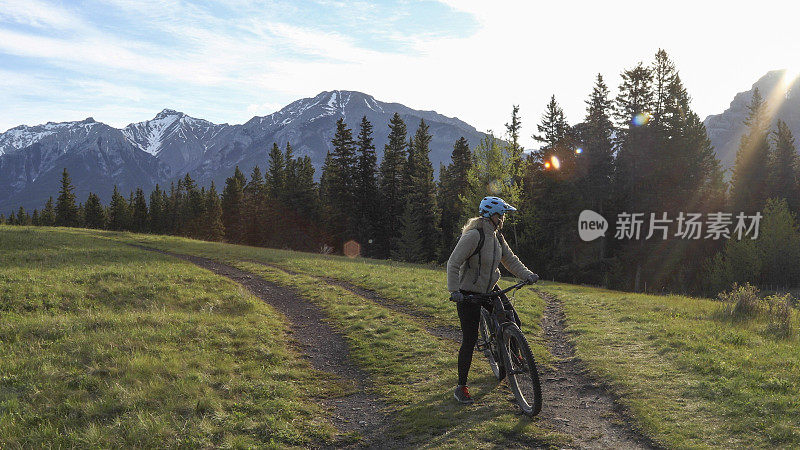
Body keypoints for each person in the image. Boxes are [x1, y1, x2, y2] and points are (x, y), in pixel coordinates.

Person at [446, 196, 539, 404]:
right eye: (501, 214)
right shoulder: (473, 235)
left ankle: (513, 357)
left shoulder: (497, 237)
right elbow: (453, 263)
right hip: (468, 292)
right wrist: (454, 291)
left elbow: (510, 260)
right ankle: (461, 387)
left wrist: (527, 275)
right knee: (469, 341)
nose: (503, 218)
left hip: (489, 289)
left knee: (513, 320)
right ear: (491, 215)